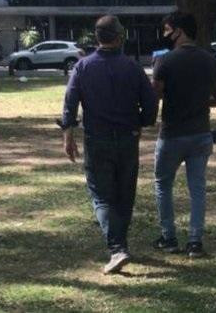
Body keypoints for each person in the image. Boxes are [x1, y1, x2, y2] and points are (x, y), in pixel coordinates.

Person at [60, 15, 158, 274]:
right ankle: (120, 245)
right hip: (128, 138)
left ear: (97, 38)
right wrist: (142, 122)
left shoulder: (82, 67)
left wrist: (67, 133)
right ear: (119, 37)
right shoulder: (132, 67)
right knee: (124, 195)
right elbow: (150, 104)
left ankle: (117, 248)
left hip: (97, 139)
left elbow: (70, 102)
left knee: (102, 196)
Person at [152, 12, 216, 258]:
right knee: (197, 189)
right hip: (201, 134)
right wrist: (199, 100)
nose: (165, 35)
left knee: (163, 184)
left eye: (167, 29)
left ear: (179, 30)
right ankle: (195, 241)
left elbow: (156, 94)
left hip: (172, 133)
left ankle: (169, 237)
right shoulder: (211, 60)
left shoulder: (165, 61)